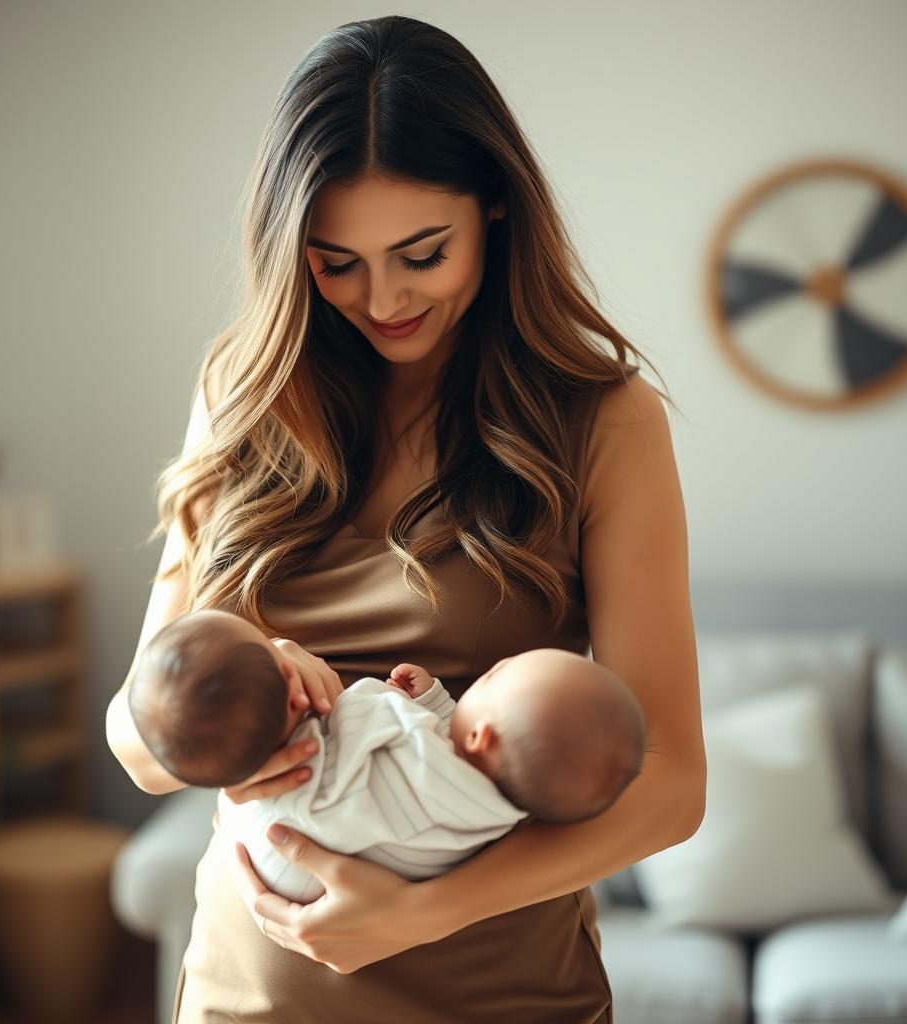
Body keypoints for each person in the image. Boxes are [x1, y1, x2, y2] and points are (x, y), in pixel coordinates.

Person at [106, 14, 706, 1023]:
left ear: (496, 209)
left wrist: (421, 911)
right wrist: (241, 703)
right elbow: (132, 732)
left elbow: (671, 784)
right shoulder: (246, 392)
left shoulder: (603, 419)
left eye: (420, 252)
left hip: (503, 991)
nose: (378, 297)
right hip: (248, 991)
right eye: (335, 261)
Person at [126, 608, 647, 902]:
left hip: (289, 855)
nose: (489, 672)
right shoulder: (489, 804)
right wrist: (434, 701)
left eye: (492, 676)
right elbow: (441, 752)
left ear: (483, 737)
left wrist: (379, 701)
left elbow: (371, 725)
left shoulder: (399, 746)